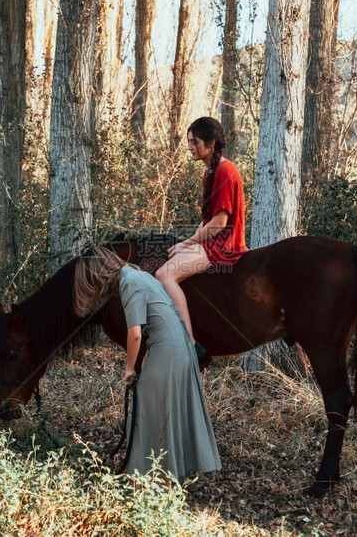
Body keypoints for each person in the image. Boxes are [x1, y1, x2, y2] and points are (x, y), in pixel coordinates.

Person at [73, 246, 221, 480]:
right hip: (178, 347)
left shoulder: (128, 283)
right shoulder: (138, 274)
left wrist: (130, 367)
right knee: (165, 412)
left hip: (169, 350)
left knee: (145, 412)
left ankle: (147, 479)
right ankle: (164, 475)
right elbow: (161, 317)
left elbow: (134, 334)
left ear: (97, 276)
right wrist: (150, 350)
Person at [156, 116, 249, 345]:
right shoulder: (210, 171)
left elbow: (218, 223)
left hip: (224, 246)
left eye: (194, 142)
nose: (189, 147)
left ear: (212, 143)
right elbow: (207, 220)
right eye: (189, 141)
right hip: (212, 242)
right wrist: (189, 242)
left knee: (164, 274)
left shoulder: (225, 172)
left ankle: (189, 341)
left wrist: (187, 244)